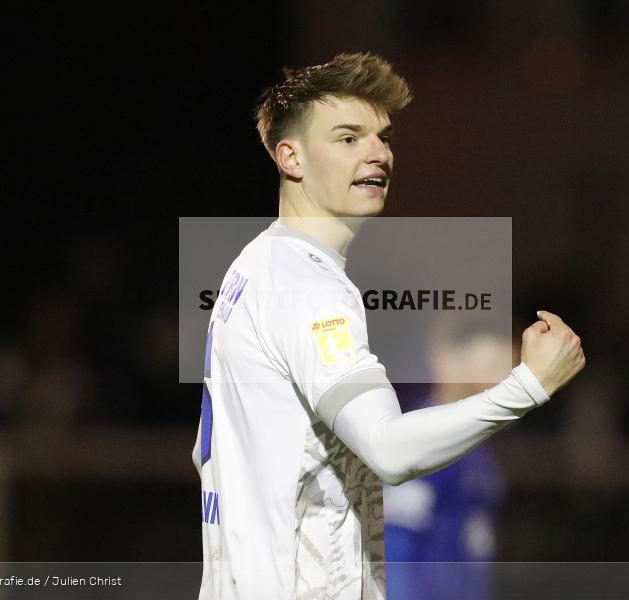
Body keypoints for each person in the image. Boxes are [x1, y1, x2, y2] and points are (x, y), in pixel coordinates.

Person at [193, 52, 585, 600]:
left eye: (382, 137)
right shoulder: (304, 284)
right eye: (348, 138)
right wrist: (527, 386)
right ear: (291, 157)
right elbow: (389, 448)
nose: (377, 152)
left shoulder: (254, 267)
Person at [383, 315, 515, 599]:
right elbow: (395, 548)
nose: (501, 382)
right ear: (449, 361)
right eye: (490, 366)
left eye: (509, 371)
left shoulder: (476, 446)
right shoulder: (424, 441)